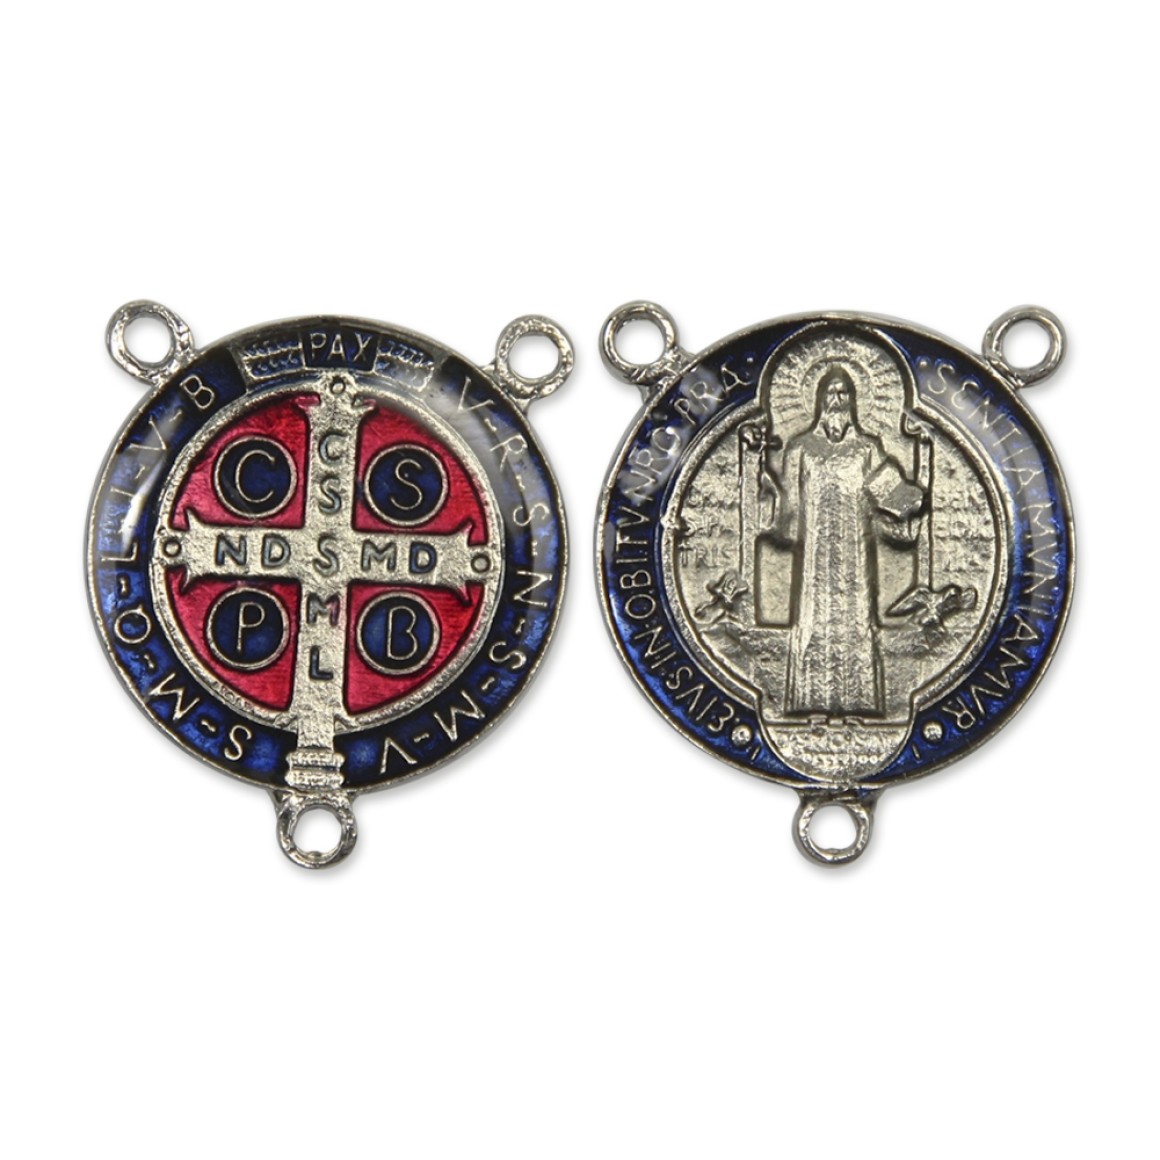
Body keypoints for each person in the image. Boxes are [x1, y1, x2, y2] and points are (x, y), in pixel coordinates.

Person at [763, 366, 923, 716]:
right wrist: (773, 511)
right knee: (813, 617)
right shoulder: (800, 448)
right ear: (819, 400)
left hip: (854, 552)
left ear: (853, 400)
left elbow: (894, 495)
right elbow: (789, 506)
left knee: (856, 619)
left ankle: (857, 706)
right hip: (814, 553)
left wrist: (912, 500)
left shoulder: (866, 449)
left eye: (843, 393)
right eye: (830, 393)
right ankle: (812, 706)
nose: (836, 400)